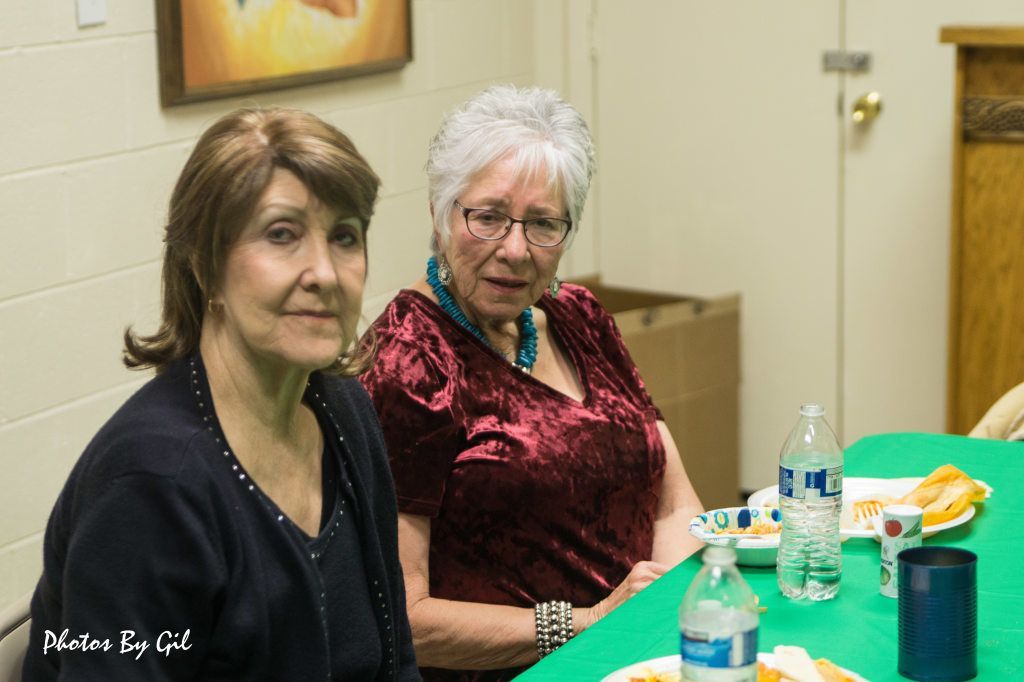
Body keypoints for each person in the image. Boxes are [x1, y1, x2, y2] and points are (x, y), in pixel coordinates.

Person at [23, 108, 419, 681]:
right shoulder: (151, 486)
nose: (325, 272)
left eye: (344, 236)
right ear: (204, 264)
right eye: (281, 234)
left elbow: (396, 660)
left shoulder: (343, 408)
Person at [360, 85, 705, 681]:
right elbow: (401, 617)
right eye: (488, 217)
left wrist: (667, 620)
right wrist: (589, 622)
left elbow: (673, 501)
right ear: (440, 216)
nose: (515, 250)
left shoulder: (579, 316)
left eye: (544, 224)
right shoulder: (408, 364)